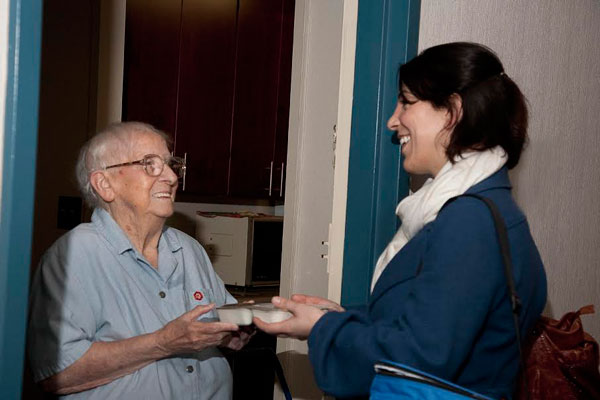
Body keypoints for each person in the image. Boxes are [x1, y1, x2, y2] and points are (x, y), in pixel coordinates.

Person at [254, 42, 547, 399]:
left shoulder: (469, 221)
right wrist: (344, 316)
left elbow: (415, 359)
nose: (393, 121)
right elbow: (432, 322)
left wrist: (324, 327)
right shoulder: (483, 208)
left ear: (452, 111)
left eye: (406, 102)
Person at [27, 122, 252, 399]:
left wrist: (235, 331)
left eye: (171, 164)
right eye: (150, 164)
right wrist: (162, 343)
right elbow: (55, 374)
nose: (171, 177)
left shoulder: (189, 249)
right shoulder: (73, 255)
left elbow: (221, 320)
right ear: (105, 184)